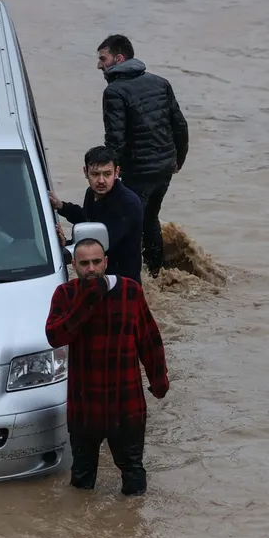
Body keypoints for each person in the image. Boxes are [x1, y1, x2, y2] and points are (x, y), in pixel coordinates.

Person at [45, 238, 169, 496]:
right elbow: (55, 337)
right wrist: (88, 299)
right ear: (74, 266)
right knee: (81, 481)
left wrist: (159, 379)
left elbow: (149, 339)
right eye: (84, 263)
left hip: (126, 405)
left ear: (106, 262)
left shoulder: (130, 291)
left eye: (96, 262)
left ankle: (131, 531)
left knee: (133, 476)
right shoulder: (65, 295)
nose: (91, 269)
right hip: (84, 406)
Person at [96, 34, 189, 277]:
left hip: (138, 172)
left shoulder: (114, 92)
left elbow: (115, 139)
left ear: (118, 58)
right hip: (165, 168)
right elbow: (180, 125)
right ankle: (156, 273)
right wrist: (178, 159)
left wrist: (108, 175)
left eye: (102, 59)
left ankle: (129, 280)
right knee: (150, 219)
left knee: (129, 225)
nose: (99, 65)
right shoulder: (160, 82)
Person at [49, 145, 143, 283]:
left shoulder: (128, 204)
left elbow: (99, 244)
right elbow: (87, 221)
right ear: (85, 172)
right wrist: (61, 206)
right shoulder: (91, 193)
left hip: (122, 281)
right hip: (96, 275)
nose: (101, 181)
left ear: (116, 172)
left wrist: (66, 248)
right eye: (95, 174)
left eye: (107, 174)